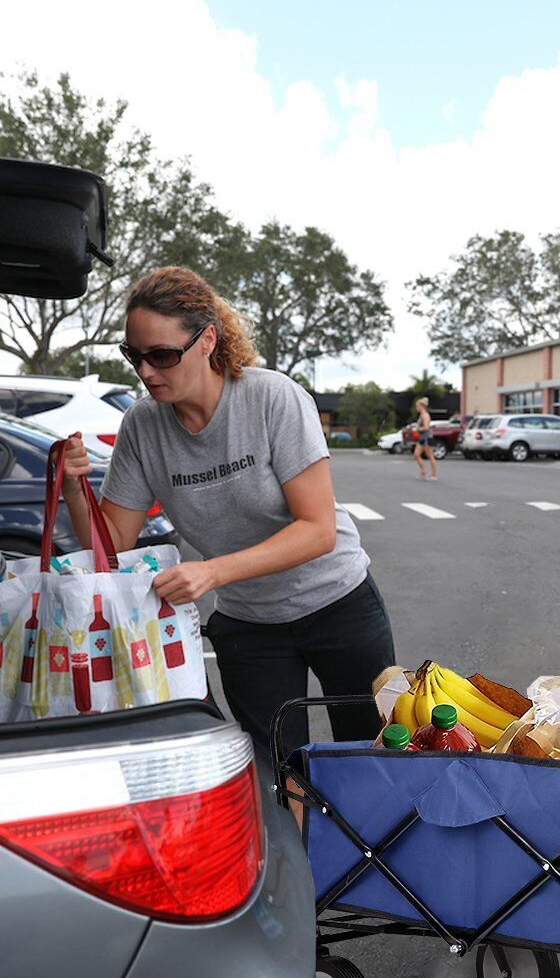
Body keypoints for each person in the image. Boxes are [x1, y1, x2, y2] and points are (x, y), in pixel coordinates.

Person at [61, 266, 395, 753]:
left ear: (207, 339)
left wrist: (213, 573)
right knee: (278, 770)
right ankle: (297, 831)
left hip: (338, 604)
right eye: (134, 355)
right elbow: (110, 546)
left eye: (162, 355)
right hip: (249, 625)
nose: (145, 372)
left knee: (371, 754)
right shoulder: (142, 426)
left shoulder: (271, 398)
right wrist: (75, 491)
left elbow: (318, 530)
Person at [412, 396, 438, 480]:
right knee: (416, 455)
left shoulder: (425, 416)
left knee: (430, 456)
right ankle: (423, 471)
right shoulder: (421, 415)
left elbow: (426, 427)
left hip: (427, 438)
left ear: (422, 406)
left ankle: (434, 475)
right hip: (421, 438)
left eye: (417, 406)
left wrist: (417, 429)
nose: (416, 408)